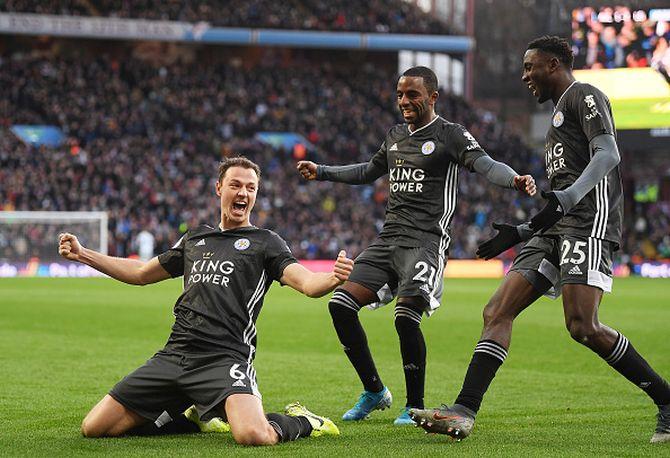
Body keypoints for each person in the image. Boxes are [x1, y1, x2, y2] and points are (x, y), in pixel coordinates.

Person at [409, 36, 670, 444]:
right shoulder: (555, 123)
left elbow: (608, 154)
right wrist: (524, 232)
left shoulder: (583, 94)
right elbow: (558, 200)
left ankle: (667, 401)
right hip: (557, 228)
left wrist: (566, 199)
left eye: (530, 67)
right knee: (496, 310)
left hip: (590, 222)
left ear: (553, 65)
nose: (524, 75)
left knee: (583, 326)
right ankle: (463, 411)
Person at [58, 156, 355, 446]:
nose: (243, 193)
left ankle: (304, 421)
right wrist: (83, 254)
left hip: (225, 358)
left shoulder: (266, 242)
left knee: (253, 436)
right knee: (95, 427)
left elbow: (306, 283)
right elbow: (141, 273)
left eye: (251, 188)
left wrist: (332, 278)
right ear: (219, 188)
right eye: (236, 185)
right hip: (175, 354)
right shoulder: (196, 239)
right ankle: (194, 418)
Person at [297, 66, 536, 425]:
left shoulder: (450, 135)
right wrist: (323, 171)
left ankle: (414, 404)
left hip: (425, 243)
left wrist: (513, 179)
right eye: (400, 95)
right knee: (341, 306)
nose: (404, 101)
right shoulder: (394, 136)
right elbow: (367, 171)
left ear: (433, 97)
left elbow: (485, 164)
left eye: (412, 95)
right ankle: (375, 392)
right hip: (388, 239)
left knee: (405, 317)